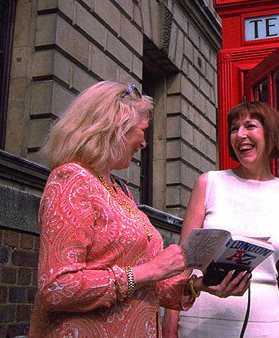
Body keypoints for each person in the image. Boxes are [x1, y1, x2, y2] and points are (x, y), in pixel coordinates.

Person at [29, 81, 249, 338]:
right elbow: (56, 288)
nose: (144, 143)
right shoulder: (71, 179)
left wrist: (200, 284)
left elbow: (146, 286)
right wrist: (150, 270)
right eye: (142, 131)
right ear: (115, 128)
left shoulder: (120, 190)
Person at [162, 101, 279, 338]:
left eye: (250, 126)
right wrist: (169, 323)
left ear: (270, 133)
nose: (241, 135)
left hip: (264, 322)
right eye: (234, 128)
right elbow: (183, 261)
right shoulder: (208, 183)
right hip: (201, 317)